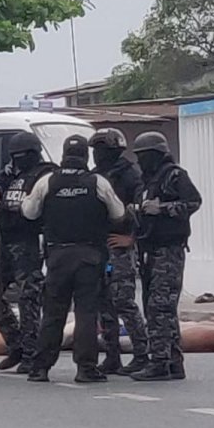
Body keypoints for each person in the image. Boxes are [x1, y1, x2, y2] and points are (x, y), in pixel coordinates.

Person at [22, 135, 127, 383]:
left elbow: (28, 212)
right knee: (86, 313)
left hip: (58, 255)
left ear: (63, 155)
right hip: (90, 255)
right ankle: (86, 368)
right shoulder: (97, 182)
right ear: (86, 157)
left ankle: (40, 368)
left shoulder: (47, 181)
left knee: (53, 313)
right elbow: (119, 213)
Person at [0, 131, 56, 374]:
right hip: (5, 240)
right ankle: (15, 343)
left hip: (30, 242)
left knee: (28, 298)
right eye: (14, 157)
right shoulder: (10, 175)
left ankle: (31, 351)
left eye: (22, 156)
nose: (17, 160)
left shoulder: (46, 174)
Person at [130, 131, 200, 382]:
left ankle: (160, 361)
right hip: (149, 249)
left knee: (159, 307)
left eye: (144, 156)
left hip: (169, 250)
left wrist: (162, 209)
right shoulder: (147, 181)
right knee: (158, 307)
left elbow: (193, 202)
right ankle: (172, 360)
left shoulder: (174, 175)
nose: (140, 162)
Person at [89, 128, 150, 376]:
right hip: (99, 246)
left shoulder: (130, 175)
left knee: (124, 301)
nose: (97, 154)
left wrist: (132, 238)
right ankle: (112, 356)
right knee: (103, 303)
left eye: (101, 150)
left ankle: (141, 354)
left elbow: (141, 210)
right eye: (95, 150)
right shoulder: (94, 176)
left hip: (120, 247)